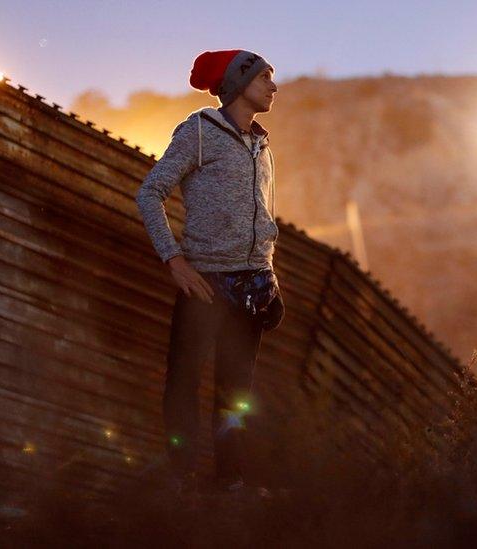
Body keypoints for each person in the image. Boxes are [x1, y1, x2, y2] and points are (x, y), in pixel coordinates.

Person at [134, 49, 284, 498]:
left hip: (253, 286)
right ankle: (180, 479)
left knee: (235, 389)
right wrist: (174, 260)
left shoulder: (262, 145)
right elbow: (150, 193)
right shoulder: (199, 132)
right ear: (238, 85)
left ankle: (230, 482)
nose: (274, 87)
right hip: (204, 285)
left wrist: (270, 276)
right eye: (265, 79)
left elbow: (264, 216)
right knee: (183, 381)